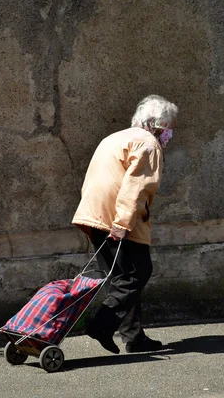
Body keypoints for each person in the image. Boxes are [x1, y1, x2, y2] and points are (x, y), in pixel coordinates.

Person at [72, 94, 178, 354]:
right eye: (170, 128)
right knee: (137, 273)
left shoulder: (115, 137)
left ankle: (134, 337)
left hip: (94, 214)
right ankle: (101, 325)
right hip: (117, 217)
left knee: (121, 277)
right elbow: (136, 188)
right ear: (159, 126)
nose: (170, 135)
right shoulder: (149, 143)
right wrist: (122, 223)